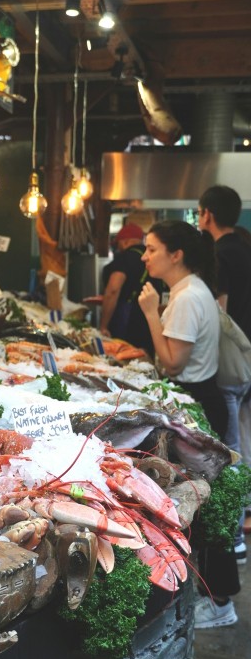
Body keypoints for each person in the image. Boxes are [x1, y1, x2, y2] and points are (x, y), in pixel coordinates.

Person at [138, 220, 239, 629]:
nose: (144, 257)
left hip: (196, 400)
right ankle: (217, 598)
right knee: (202, 502)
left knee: (202, 504)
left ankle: (219, 602)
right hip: (204, 398)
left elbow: (173, 362)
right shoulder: (193, 289)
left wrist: (150, 313)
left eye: (151, 249)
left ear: (175, 254)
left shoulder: (183, 297)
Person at [197, 185, 251, 564]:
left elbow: (221, 313)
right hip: (247, 359)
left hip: (230, 365)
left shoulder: (222, 253)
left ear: (207, 214)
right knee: (244, 436)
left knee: (230, 448)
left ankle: (235, 537)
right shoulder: (247, 247)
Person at [100, 223, 162, 355]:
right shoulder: (156, 261)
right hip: (151, 322)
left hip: (126, 323)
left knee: (122, 356)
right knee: (144, 359)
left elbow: (113, 290)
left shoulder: (124, 258)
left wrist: (103, 325)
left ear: (125, 241)